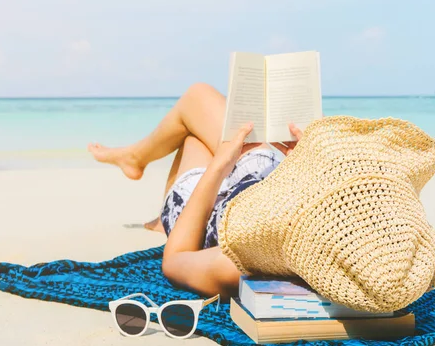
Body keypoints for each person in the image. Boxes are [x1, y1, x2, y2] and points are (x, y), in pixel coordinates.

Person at [88, 83, 303, 299]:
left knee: (194, 129)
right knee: (197, 105)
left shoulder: (244, 261)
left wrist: (218, 167)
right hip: (267, 178)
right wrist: (306, 166)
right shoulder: (321, 233)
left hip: (203, 212)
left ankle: (135, 161)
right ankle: (135, 159)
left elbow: (174, 261)